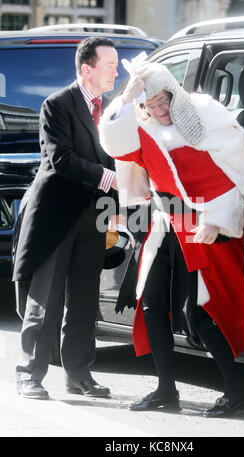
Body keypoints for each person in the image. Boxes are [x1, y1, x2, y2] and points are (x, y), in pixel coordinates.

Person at [99, 61, 244, 417]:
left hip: (199, 222)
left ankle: (238, 390)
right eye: (149, 105)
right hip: (162, 222)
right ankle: (166, 390)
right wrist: (126, 97)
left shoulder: (206, 114)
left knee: (199, 311)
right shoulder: (142, 127)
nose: (158, 109)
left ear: (174, 93)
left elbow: (235, 171)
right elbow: (113, 141)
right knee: (152, 306)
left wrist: (215, 220)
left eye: (162, 101)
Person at [13, 37, 122, 400]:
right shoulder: (56, 104)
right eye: (110, 66)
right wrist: (110, 178)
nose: (116, 71)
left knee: (84, 300)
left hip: (93, 215)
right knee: (46, 299)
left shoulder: (109, 111)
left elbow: (117, 155)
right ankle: (29, 373)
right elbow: (60, 158)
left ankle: (79, 375)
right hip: (56, 216)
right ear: (86, 69)